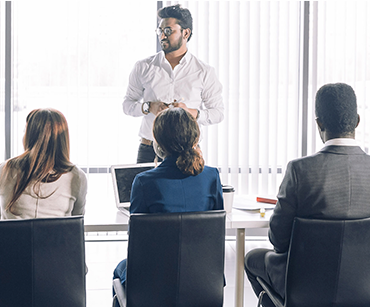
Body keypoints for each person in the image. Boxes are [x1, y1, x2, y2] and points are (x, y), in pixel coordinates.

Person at [244, 83, 370, 307]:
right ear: (358, 121)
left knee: (252, 259)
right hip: (363, 287)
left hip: (305, 287)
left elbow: (278, 241)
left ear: (319, 123)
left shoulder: (300, 170)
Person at [113, 107, 224, 287]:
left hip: (155, 281)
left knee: (120, 269)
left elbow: (136, 239)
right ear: (196, 138)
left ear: (158, 143)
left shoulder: (143, 182)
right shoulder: (212, 176)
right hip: (203, 279)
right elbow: (216, 229)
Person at [123, 4, 224, 163]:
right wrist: (148, 107)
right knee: (141, 188)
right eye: (160, 31)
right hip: (150, 149)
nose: (162, 35)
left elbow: (217, 113)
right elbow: (127, 105)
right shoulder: (143, 67)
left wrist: (191, 112)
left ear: (186, 33)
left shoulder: (204, 71)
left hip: (188, 151)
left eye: (168, 31)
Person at [0, 108, 87, 219]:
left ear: (30, 137)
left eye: (25, 131)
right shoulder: (77, 176)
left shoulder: (5, 170)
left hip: (12, 236)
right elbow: (75, 222)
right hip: (56, 236)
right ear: (63, 139)